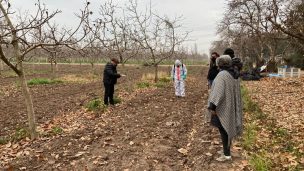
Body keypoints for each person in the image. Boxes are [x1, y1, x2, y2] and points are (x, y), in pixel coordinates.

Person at [207, 55, 243, 162]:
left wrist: (212, 107)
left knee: (224, 130)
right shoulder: (232, 73)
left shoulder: (222, 75)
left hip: (222, 108)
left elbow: (218, 93)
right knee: (226, 130)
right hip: (230, 106)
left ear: (220, 64)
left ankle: (226, 155)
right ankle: (225, 150)